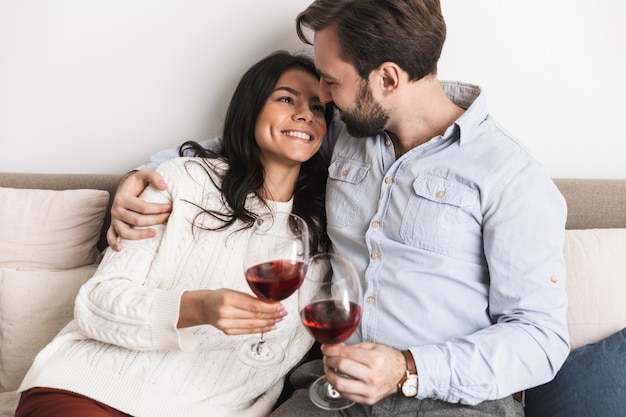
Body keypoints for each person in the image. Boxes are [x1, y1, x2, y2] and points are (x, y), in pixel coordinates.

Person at [107, 1, 570, 416]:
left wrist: (407, 367)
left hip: (450, 399)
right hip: (329, 391)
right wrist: (144, 176)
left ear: (387, 78)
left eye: (331, 81)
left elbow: (542, 340)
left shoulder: (510, 175)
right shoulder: (347, 133)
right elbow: (249, 143)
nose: (322, 98)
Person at [14, 50, 335, 417]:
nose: (305, 115)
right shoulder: (182, 180)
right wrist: (196, 307)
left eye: (318, 107)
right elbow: (95, 305)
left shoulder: (325, 228)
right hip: (90, 390)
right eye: (286, 99)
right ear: (250, 109)